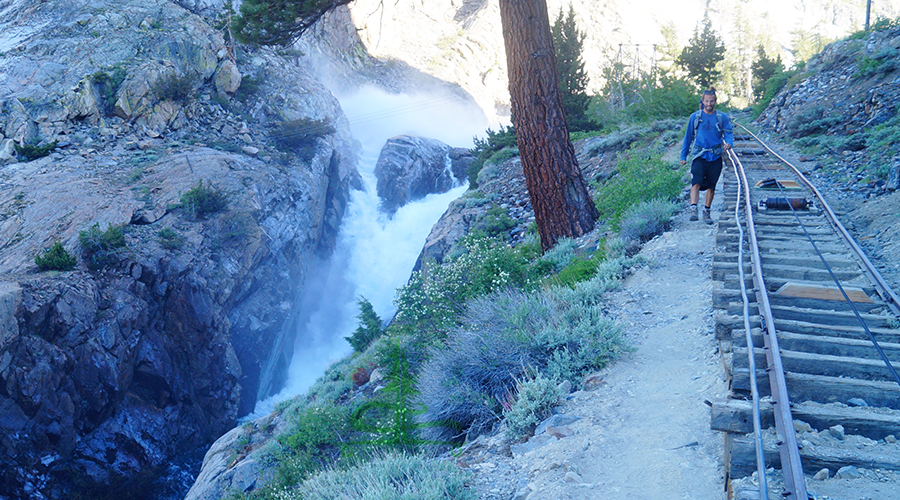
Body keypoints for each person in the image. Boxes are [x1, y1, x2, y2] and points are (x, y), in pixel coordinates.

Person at [680, 87, 733, 223]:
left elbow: (728, 133)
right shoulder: (695, 117)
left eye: (712, 101)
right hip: (699, 154)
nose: (709, 104)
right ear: (702, 101)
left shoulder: (722, 117)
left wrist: (729, 143)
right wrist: (683, 156)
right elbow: (688, 137)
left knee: (711, 185)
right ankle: (693, 209)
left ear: (715, 101)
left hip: (715, 155)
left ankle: (707, 212)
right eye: (707, 101)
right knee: (696, 181)